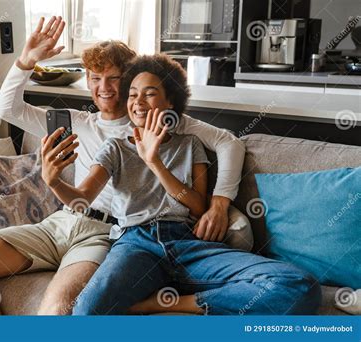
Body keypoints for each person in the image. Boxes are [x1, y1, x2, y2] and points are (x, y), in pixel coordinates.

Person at [0, 16, 246, 315]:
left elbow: (229, 142)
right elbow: (6, 108)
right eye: (95, 78)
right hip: (61, 221)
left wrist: (219, 205)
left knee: (58, 310)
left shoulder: (153, 120)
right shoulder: (77, 122)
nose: (104, 87)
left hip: (104, 233)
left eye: (114, 78)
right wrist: (26, 61)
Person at [43, 54, 321, 315]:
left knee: (299, 285)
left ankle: (166, 304)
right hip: (134, 243)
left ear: (170, 102)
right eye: (132, 94)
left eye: (150, 93)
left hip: (187, 241)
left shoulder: (189, 145)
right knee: (87, 310)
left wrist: (155, 163)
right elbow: (83, 198)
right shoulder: (114, 148)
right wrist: (53, 181)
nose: (138, 101)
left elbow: (199, 206)